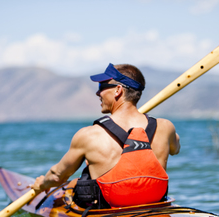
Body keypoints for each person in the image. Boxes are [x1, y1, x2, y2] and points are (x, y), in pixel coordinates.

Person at [31, 63, 180, 209]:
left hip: (110, 211)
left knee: (76, 184)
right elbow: (175, 149)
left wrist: (42, 184)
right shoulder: (166, 127)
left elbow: (58, 176)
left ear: (118, 90)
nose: (98, 93)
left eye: (102, 87)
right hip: (155, 203)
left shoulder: (89, 135)